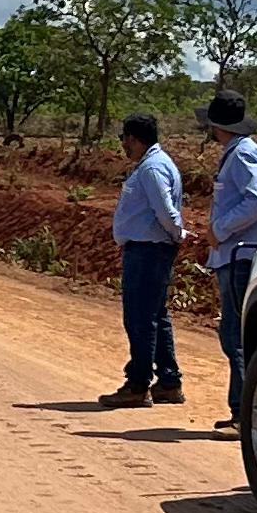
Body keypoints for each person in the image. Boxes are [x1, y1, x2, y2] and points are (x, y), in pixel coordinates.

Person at [197, 88, 257, 437]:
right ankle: (243, 411)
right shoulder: (242, 152)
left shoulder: (242, 154)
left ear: (216, 126)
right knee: (236, 335)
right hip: (239, 254)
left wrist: (220, 229)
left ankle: (244, 415)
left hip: (240, 255)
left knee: (237, 336)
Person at [102, 111, 187, 408]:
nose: (123, 145)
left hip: (149, 250)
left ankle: (138, 385)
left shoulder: (152, 168)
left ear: (135, 139)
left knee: (140, 318)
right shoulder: (153, 164)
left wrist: (178, 233)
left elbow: (165, 211)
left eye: (124, 139)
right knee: (155, 316)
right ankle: (169, 382)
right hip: (149, 249)